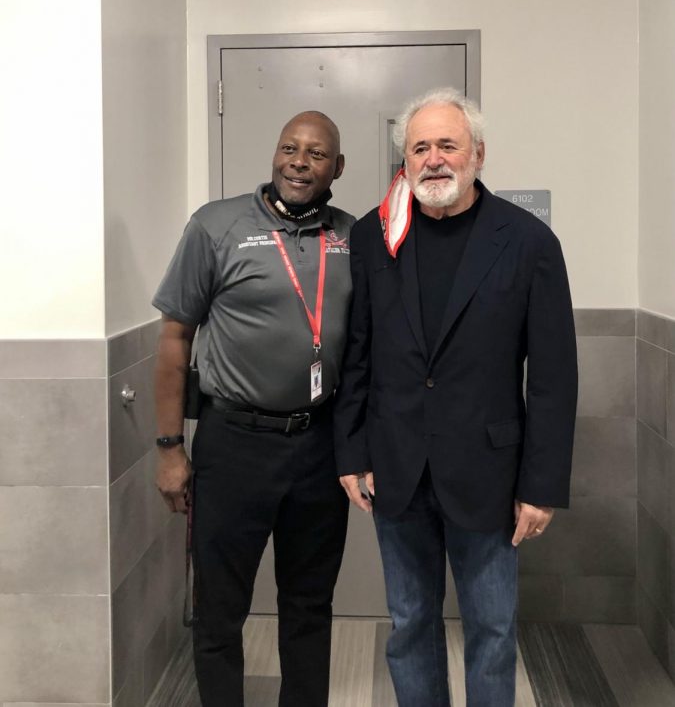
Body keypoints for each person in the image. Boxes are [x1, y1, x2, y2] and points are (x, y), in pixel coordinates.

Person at [334, 88, 577, 707]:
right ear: (405, 160)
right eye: (420, 147)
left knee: (492, 629)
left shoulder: (527, 242)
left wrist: (541, 485)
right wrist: (350, 452)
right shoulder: (372, 236)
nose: (434, 158)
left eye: (448, 144)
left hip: (490, 476)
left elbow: (552, 374)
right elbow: (356, 354)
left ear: (479, 154)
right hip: (397, 469)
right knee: (410, 624)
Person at [153, 111, 354, 707]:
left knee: (309, 605)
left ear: (337, 168)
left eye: (317, 154)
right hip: (233, 444)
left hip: (319, 447)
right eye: (289, 148)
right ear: (274, 155)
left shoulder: (352, 237)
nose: (299, 161)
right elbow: (173, 340)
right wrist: (169, 449)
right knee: (219, 608)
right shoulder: (215, 226)